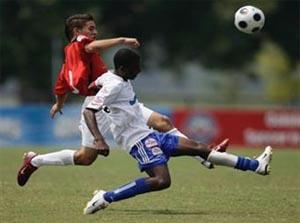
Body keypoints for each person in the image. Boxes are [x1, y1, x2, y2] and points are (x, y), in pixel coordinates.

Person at [17, 13, 227, 187]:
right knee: (85, 158)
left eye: (94, 28)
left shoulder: (70, 61)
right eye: (90, 29)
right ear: (77, 32)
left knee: (162, 122)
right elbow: (89, 51)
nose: (94, 32)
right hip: (98, 105)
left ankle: (204, 156)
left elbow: (61, 87)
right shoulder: (78, 45)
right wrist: (122, 40)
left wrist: (59, 104)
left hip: (117, 97)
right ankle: (35, 161)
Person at [82, 48, 273, 214]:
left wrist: (95, 89)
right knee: (162, 181)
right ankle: (107, 197)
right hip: (138, 141)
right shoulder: (114, 85)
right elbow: (89, 110)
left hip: (150, 135)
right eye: (135, 67)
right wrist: (98, 139)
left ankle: (256, 166)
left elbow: (94, 85)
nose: (139, 70)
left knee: (199, 148)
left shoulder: (111, 77)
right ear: (123, 69)